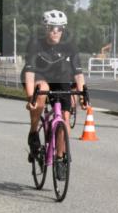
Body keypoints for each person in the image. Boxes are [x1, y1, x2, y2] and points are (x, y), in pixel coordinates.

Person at [22, 10, 87, 160]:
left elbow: (78, 73)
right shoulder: (35, 43)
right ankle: (33, 133)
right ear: (45, 28)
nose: (55, 32)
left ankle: (60, 156)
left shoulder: (69, 44)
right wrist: (31, 98)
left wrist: (83, 96)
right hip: (39, 74)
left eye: (60, 28)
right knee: (42, 90)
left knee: (65, 116)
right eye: (52, 28)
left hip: (60, 76)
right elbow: (30, 73)